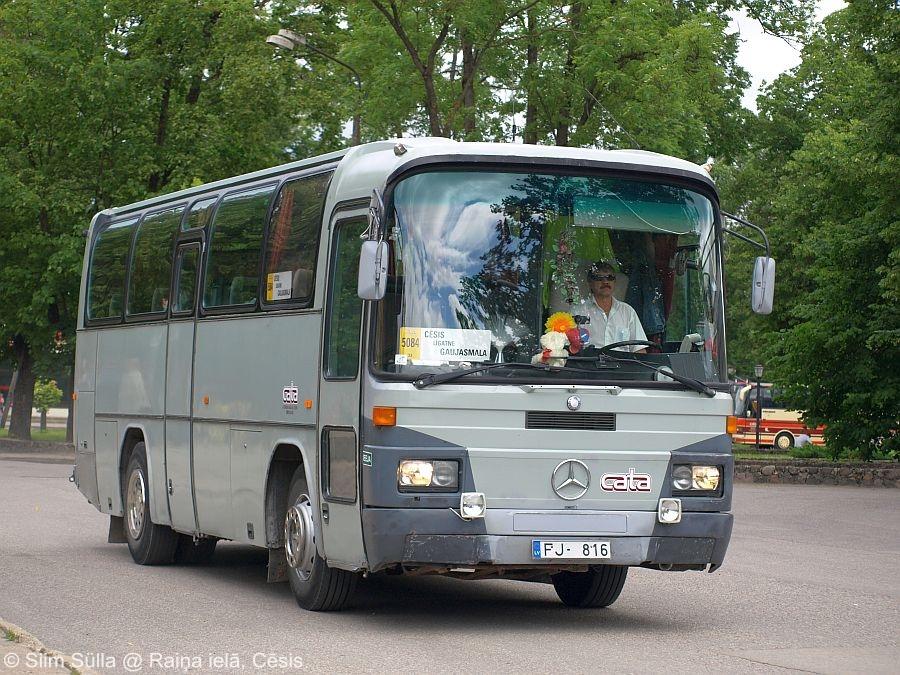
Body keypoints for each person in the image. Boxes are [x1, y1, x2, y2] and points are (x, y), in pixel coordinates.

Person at [573, 261, 648, 353]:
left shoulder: (628, 311)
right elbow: (569, 348)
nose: (605, 282)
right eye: (599, 278)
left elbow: (639, 350)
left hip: (623, 365)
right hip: (589, 365)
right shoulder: (578, 312)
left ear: (614, 282)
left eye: (610, 278)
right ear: (590, 283)